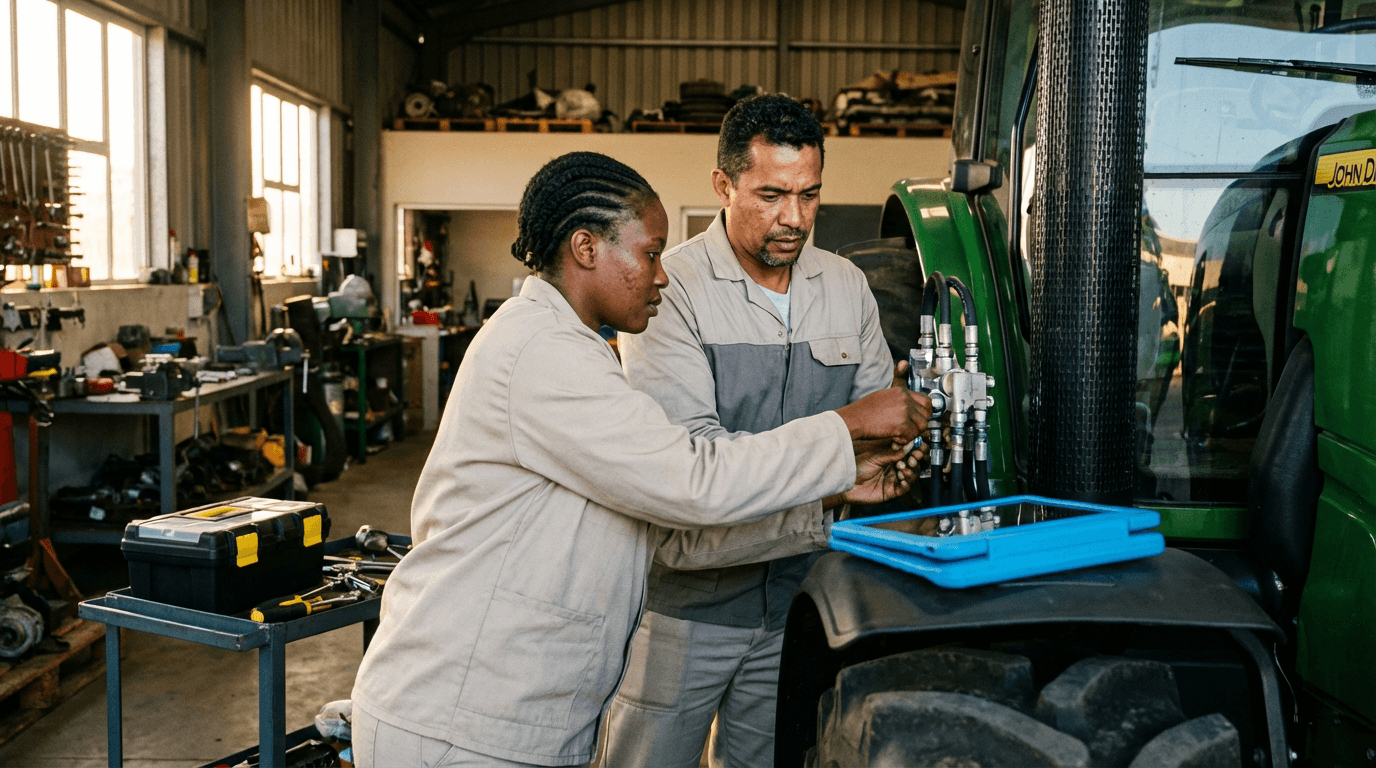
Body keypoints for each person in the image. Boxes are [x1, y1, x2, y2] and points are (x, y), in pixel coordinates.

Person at [348, 151, 927, 767]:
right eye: (650, 253)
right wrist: (849, 426)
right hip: (462, 724)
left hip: (510, 719)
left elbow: (666, 525)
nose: (663, 275)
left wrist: (830, 496)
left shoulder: (573, 347)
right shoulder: (542, 353)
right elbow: (693, 480)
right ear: (586, 248)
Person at [601, 95, 930, 768]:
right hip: (687, 606)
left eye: (810, 195)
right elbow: (693, 474)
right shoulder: (674, 291)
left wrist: (881, 447)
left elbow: (876, 447)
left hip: (799, 601)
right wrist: (843, 457)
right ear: (723, 185)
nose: (795, 219)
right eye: (771, 195)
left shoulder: (846, 287)